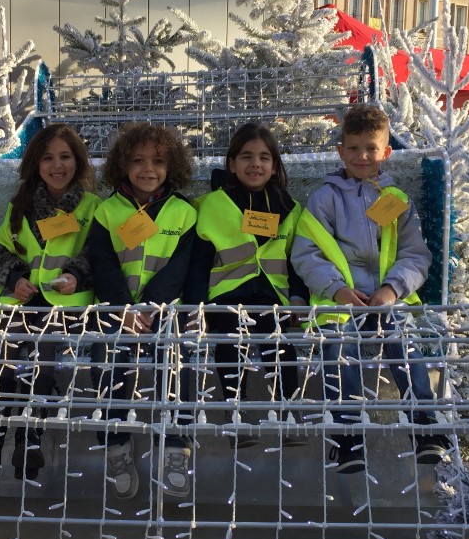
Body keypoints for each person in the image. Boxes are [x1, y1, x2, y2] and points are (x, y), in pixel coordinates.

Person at [291, 105, 447, 474]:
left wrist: (392, 290)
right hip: (340, 299)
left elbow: (415, 254)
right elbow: (307, 252)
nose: (363, 156)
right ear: (341, 151)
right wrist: (337, 290)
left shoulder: (397, 201)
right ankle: (347, 438)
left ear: (386, 152)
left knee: (405, 347)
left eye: (371, 148)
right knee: (338, 350)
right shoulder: (323, 199)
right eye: (355, 148)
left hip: (386, 298)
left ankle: (425, 427)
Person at [0, 124, 99, 482]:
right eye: (48, 158)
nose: (58, 166)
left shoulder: (91, 207)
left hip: (64, 305)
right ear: (35, 164)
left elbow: (98, 254)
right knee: (4, 353)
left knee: (42, 352)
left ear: (79, 161)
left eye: (65, 157)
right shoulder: (21, 205)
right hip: (21, 300)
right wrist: (15, 278)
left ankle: (30, 436)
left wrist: (77, 277)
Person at [86, 123, 197, 499]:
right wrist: (124, 309)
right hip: (118, 310)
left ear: (173, 166)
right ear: (122, 165)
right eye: (138, 161)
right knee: (108, 365)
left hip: (166, 312)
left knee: (178, 368)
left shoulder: (185, 212)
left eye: (159, 161)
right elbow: (102, 264)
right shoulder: (106, 211)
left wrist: (150, 307)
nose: (148, 169)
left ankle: (176, 448)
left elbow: (181, 267)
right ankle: (116, 446)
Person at [183, 123, 308, 448]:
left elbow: (297, 259)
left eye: (264, 157)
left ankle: (288, 413)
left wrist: (297, 297)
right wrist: (195, 306)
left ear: (275, 166)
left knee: (280, 349)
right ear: (232, 164)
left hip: (273, 295)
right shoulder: (212, 205)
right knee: (230, 348)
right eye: (247, 157)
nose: (256, 164)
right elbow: (199, 262)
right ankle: (234, 415)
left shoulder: (289, 207)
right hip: (226, 295)